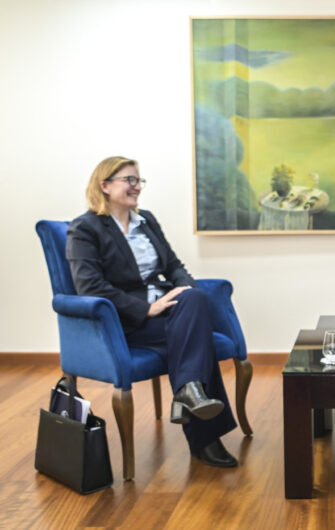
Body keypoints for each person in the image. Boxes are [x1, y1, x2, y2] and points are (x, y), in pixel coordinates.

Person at [66, 156, 239, 468]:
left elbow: (173, 266)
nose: (137, 187)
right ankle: (205, 434)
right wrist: (146, 309)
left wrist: (185, 289)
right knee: (197, 337)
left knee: (194, 298)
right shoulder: (85, 228)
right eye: (129, 180)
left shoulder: (145, 220)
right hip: (125, 320)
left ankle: (189, 392)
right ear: (105, 185)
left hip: (167, 311)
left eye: (139, 181)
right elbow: (89, 287)